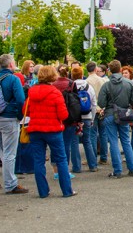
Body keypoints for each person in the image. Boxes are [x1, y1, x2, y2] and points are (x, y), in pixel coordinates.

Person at [26, 65, 76, 198]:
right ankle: (67, 190)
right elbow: (63, 115)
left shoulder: (31, 92)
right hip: (53, 130)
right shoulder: (54, 92)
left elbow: (26, 111)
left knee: (38, 161)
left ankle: (43, 192)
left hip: (35, 129)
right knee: (61, 159)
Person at [0, 54, 28, 194]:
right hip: (9, 117)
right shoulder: (13, 79)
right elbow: (21, 99)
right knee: (9, 153)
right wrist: (19, 115)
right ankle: (10, 183)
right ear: (10, 65)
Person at [97, 60, 133, 178]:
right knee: (126, 141)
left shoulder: (106, 84)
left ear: (109, 70)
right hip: (124, 113)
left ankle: (118, 170)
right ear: (120, 69)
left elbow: (101, 102)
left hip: (110, 114)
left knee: (113, 142)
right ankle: (132, 169)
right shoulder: (129, 83)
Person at [51, 66, 78, 180]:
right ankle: (65, 170)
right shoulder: (71, 84)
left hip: (54, 118)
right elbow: (76, 102)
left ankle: (56, 171)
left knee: (54, 145)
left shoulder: (52, 85)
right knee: (66, 145)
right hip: (69, 117)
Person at [72, 65, 97, 172]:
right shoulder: (89, 87)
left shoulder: (71, 87)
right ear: (82, 75)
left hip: (74, 118)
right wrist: (92, 118)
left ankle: (77, 167)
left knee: (74, 142)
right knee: (87, 141)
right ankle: (92, 165)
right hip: (87, 116)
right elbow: (94, 103)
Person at [85, 61, 108, 166]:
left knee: (92, 135)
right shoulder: (102, 80)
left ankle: (92, 157)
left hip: (92, 110)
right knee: (103, 134)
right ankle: (103, 157)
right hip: (102, 109)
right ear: (95, 69)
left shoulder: (86, 82)